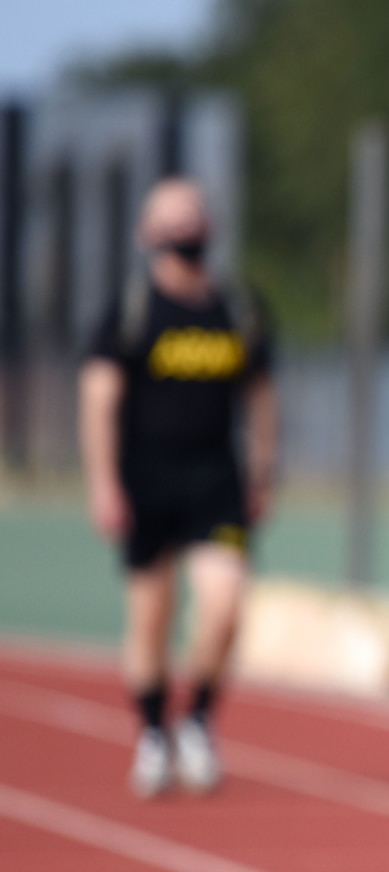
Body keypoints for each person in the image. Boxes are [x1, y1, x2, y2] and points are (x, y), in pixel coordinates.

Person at [79, 176, 276, 799]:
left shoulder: (238, 309)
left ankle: (196, 721)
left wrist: (263, 469)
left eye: (192, 217)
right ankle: (152, 734)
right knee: (152, 617)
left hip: (217, 476)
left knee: (225, 604)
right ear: (147, 235)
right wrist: (105, 483)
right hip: (146, 477)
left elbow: (262, 398)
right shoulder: (132, 311)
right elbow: (99, 400)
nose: (184, 230)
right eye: (170, 220)